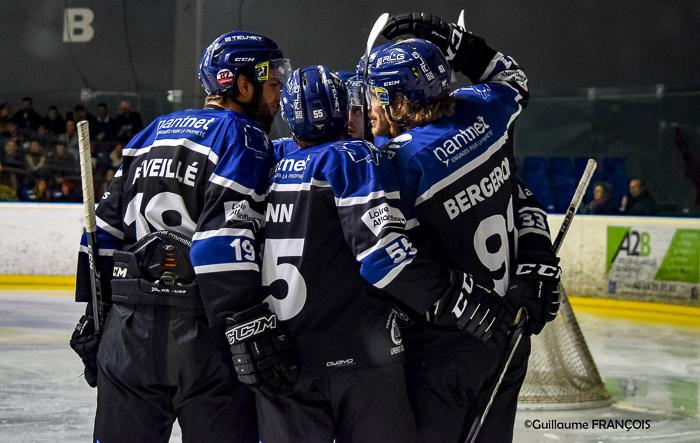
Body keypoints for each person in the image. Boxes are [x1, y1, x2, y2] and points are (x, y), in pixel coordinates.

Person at [68, 31, 291, 443]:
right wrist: (248, 327)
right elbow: (221, 243)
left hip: (127, 331)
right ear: (243, 85)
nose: (279, 96)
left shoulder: (150, 133)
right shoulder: (244, 136)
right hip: (204, 334)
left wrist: (95, 318)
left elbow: (101, 235)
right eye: (273, 84)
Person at [250, 64, 485, 443]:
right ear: (343, 109)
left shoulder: (268, 160)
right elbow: (383, 256)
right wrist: (455, 300)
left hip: (284, 356)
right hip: (361, 357)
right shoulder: (353, 156)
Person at [362, 13, 562, 442]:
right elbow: (511, 76)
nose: (370, 106)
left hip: (447, 342)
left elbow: (386, 254)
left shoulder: (399, 161)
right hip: (510, 330)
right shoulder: (485, 110)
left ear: (401, 102)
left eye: (377, 96)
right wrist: (456, 41)